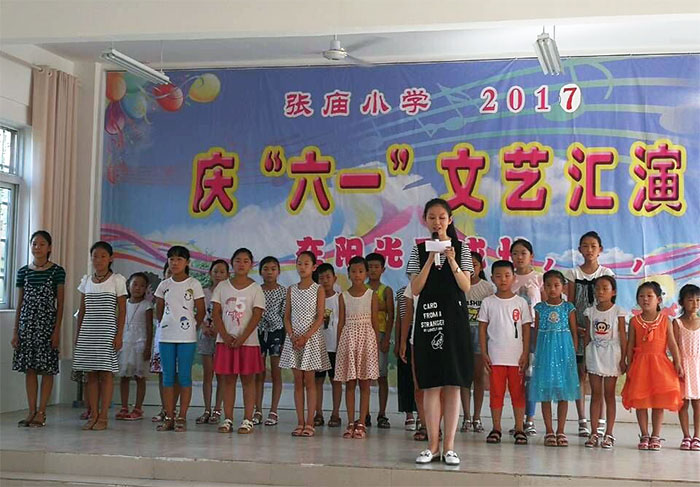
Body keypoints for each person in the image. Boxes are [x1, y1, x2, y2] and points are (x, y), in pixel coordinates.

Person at [408, 198, 474, 465]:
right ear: (425, 220)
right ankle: (432, 446)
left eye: (442, 217)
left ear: (450, 220)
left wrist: (452, 260)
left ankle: (449, 447)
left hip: (454, 321)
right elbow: (415, 288)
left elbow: (466, 286)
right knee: (431, 384)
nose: (437, 222)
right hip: (429, 319)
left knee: (453, 383)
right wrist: (430, 259)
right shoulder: (418, 249)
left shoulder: (462, 247)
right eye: (432, 218)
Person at [12, 231, 66, 428]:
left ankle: (42, 412)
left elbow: (60, 304)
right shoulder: (23, 272)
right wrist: (16, 331)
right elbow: (20, 304)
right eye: (34, 243)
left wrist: (56, 330)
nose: (37, 247)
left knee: (47, 369)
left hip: (47, 326)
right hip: (27, 326)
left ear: (49, 247)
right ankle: (31, 411)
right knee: (30, 369)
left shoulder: (57, 271)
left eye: (42, 244)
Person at [621, 281, 683, 451]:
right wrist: (628, 363)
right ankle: (644, 434)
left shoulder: (665, 320)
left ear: (659, 300)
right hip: (640, 365)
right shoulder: (634, 321)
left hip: (660, 366)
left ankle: (656, 435)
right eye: (641, 296)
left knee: (658, 402)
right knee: (640, 401)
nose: (645, 299)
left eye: (649, 296)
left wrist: (677, 362)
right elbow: (630, 344)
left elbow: (672, 344)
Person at [73, 241, 127, 431]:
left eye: (103, 256)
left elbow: (122, 311)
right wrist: (78, 335)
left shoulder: (117, 280)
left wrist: (119, 335)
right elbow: (82, 310)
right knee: (91, 374)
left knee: (106, 373)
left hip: (107, 331)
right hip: (88, 332)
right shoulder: (86, 281)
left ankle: (103, 416)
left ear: (111, 258)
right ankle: (93, 414)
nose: (99, 260)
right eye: (95, 256)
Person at [212, 248, 266, 434]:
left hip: (248, 342)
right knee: (228, 381)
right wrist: (226, 336)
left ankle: (247, 419)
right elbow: (216, 313)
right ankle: (227, 418)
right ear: (232, 263)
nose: (241, 264)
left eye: (245, 261)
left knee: (248, 381)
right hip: (226, 342)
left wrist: (242, 338)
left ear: (251, 264)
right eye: (238, 260)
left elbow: (257, 315)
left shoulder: (255, 288)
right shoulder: (222, 287)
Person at [566, 231, 614, 437]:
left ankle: (600, 419)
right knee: (580, 374)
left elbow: (610, 305)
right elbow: (570, 304)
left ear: (600, 249)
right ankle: (582, 419)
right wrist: (575, 328)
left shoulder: (606, 273)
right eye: (585, 246)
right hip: (578, 330)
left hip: (601, 332)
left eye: (593, 246)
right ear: (579, 250)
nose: (589, 250)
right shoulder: (573, 274)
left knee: (599, 374)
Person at [478, 260, 531, 446]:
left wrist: (525, 353)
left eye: (507, 275)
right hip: (495, 357)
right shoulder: (488, 302)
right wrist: (484, 352)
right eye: (498, 276)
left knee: (518, 393)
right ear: (492, 278)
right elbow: (482, 329)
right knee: (496, 393)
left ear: (514, 278)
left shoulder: (521, 302)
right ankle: (496, 428)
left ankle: (519, 428)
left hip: (517, 358)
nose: (503, 279)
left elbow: (526, 330)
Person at [154, 246, 205, 432]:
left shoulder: (194, 284)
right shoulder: (164, 285)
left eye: (179, 259)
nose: (175, 263)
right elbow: (159, 310)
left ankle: (182, 416)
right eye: (172, 259)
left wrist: (192, 327)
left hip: (186, 337)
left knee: (184, 376)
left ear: (187, 262)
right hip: (166, 336)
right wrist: (166, 325)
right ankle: (169, 416)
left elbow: (200, 311)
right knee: (168, 377)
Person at [279, 251, 330, 437]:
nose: (302, 267)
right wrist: (293, 336)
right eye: (299, 263)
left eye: (306, 264)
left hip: (310, 340)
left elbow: (320, 317)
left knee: (310, 381)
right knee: (298, 381)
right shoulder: (291, 289)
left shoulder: (318, 289)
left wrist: (305, 337)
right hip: (294, 340)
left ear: (314, 267)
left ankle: (310, 422)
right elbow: (286, 317)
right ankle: (300, 422)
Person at [528, 270, 579, 447]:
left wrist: (573, 353)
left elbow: (574, 332)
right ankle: (549, 430)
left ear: (563, 287)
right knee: (545, 393)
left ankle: (561, 430)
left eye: (556, 285)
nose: (552, 289)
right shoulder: (540, 308)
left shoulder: (568, 307)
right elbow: (536, 333)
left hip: (564, 354)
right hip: (545, 354)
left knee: (563, 392)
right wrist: (536, 354)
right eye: (548, 285)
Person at [335, 257, 379, 439]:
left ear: (366, 273)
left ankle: (362, 422)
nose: (357, 275)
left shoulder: (372, 295)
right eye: (353, 271)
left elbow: (375, 322)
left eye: (361, 271)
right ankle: (351, 421)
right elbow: (341, 323)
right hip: (348, 341)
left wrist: (375, 347)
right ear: (348, 273)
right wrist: (340, 346)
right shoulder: (343, 296)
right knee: (350, 384)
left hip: (366, 341)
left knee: (365, 384)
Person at [583, 276, 627, 449]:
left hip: (612, 355)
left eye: (605, 288)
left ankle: (609, 433)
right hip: (594, 354)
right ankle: (594, 432)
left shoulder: (618, 311)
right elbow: (587, 337)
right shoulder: (590, 312)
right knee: (595, 394)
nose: (600, 292)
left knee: (609, 395)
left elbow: (623, 336)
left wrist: (624, 358)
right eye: (597, 288)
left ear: (613, 292)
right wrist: (584, 360)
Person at [510, 239, 544, 436]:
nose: (519, 257)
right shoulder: (508, 277)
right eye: (515, 253)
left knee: (531, 376)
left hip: (532, 332)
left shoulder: (539, 278)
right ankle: (518, 420)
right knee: (516, 376)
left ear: (531, 256)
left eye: (523, 253)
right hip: (512, 333)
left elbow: (545, 306)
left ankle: (529, 419)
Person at [461, 251, 493, 433]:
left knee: (479, 377)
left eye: (474, 264)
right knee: (464, 378)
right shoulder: (459, 285)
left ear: (481, 267)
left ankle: (477, 417)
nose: (471, 268)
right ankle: (466, 417)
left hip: (481, 335)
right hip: (462, 335)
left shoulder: (487, 288)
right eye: (467, 265)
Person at [116, 272, 153, 421]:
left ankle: (138, 408)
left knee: (140, 377)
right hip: (125, 343)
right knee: (124, 376)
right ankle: (124, 406)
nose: (138, 288)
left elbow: (149, 328)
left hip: (140, 343)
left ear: (146, 289)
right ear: (128, 285)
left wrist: (148, 347)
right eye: (135, 284)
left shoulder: (147, 305)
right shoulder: (123, 303)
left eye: (142, 285)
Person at [195, 260, 228, 425]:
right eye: (215, 271)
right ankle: (207, 409)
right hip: (206, 336)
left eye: (222, 272)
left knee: (221, 375)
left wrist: (220, 329)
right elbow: (198, 312)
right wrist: (203, 326)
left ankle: (217, 410)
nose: (218, 275)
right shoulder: (204, 292)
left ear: (227, 275)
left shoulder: (229, 294)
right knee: (208, 375)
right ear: (210, 273)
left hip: (222, 337)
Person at [255, 256, 286, 427]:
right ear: (260, 271)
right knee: (258, 373)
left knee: (276, 373)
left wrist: (286, 336)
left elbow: (286, 315)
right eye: (266, 269)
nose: (269, 272)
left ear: (278, 272)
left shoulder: (283, 291)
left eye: (273, 269)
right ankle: (257, 410)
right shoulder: (256, 290)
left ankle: (273, 411)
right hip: (258, 333)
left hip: (277, 333)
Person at [365, 252, 394, 428]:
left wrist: (387, 338)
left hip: (381, 335)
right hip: (364, 334)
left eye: (376, 267)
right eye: (370, 267)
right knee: (366, 378)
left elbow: (391, 316)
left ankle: (382, 414)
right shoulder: (362, 289)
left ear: (383, 269)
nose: (373, 270)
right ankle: (365, 413)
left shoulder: (386, 290)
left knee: (382, 377)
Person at [314, 263, 343, 428]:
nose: (325, 281)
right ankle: (318, 413)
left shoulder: (340, 298)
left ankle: (336, 413)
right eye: (321, 278)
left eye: (328, 277)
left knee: (335, 381)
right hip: (318, 347)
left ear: (334, 278)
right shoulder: (314, 299)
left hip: (335, 346)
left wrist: (340, 343)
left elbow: (342, 322)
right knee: (317, 381)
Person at [674, 284, 700, 451]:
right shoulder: (677, 323)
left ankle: (697, 436)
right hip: (683, 366)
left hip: (698, 367)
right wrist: (677, 363)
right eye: (690, 300)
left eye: (698, 300)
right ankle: (686, 436)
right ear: (682, 302)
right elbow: (674, 345)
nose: (695, 303)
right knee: (683, 403)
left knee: (698, 403)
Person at [395, 284, 417, 431]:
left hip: (424, 330)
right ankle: (409, 413)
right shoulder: (402, 292)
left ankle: (422, 414)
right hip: (406, 332)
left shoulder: (429, 288)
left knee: (422, 376)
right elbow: (400, 319)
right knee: (406, 374)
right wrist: (399, 342)